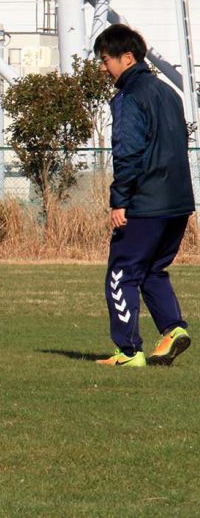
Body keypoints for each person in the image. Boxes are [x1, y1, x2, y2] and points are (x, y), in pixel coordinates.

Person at [94, 24, 194, 367]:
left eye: (105, 60)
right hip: (178, 201)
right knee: (153, 269)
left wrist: (120, 199)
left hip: (145, 202)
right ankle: (173, 330)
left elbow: (128, 151)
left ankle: (128, 350)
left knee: (122, 273)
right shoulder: (169, 93)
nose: (103, 69)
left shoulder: (129, 96)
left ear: (127, 57)